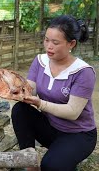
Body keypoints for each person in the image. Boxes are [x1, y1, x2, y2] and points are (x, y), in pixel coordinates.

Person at [11, 15, 97, 171]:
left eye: (55, 42)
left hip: (78, 135)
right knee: (20, 110)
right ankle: (29, 163)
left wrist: (40, 103)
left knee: (51, 165)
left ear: (71, 44)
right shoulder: (40, 61)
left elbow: (73, 112)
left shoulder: (83, 72)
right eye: (46, 40)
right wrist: (17, 88)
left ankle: (62, 159)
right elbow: (31, 87)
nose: (48, 46)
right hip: (51, 127)